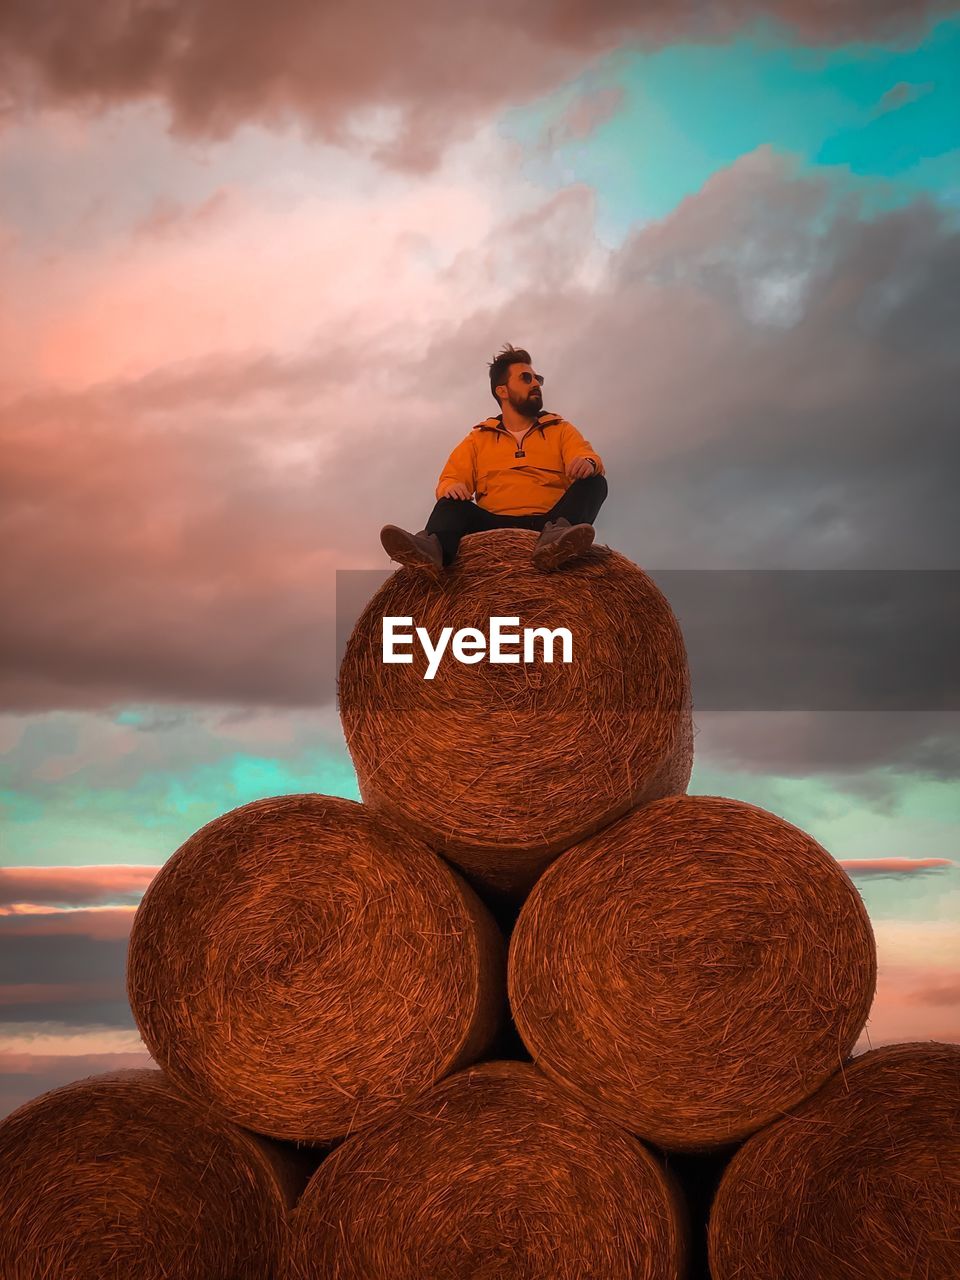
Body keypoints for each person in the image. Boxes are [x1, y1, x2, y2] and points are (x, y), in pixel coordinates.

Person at [380, 344, 608, 573]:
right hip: (492, 527)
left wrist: (587, 463)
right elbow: (451, 477)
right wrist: (452, 486)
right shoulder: (478, 439)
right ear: (502, 391)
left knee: (596, 483)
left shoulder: (560, 429)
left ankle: (556, 544)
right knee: (450, 504)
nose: (536, 383)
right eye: (526, 378)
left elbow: (585, 454)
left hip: (550, 524)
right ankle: (431, 550)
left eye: (537, 378)